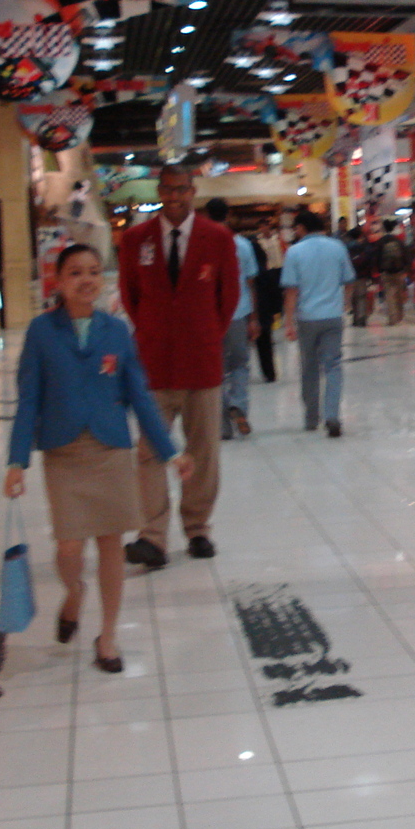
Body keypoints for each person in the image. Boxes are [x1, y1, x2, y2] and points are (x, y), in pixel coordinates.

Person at [4, 244, 193, 673]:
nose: (86, 280)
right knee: (69, 546)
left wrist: (170, 451)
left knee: (111, 543)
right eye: (75, 273)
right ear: (58, 282)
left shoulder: (116, 332)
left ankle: (107, 637)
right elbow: (28, 399)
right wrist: (16, 462)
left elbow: (140, 397)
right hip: (64, 451)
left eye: (94, 271)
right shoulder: (41, 332)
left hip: (110, 449)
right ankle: (74, 593)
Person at [117, 165, 239, 568]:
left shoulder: (217, 239)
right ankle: (152, 537)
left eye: (182, 189)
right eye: (167, 189)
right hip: (152, 364)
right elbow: (130, 296)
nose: (174, 196)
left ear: (193, 190)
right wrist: (154, 332)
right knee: (150, 452)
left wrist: (204, 335)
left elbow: (229, 297)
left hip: (201, 364)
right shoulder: (136, 240)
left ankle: (198, 529)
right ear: (159, 190)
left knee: (203, 451)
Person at [282, 209, 356, 437]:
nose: (294, 232)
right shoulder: (337, 247)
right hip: (333, 316)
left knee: (310, 367)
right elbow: (350, 280)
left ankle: (311, 417)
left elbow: (291, 291)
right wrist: (345, 303)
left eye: (295, 228)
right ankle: (332, 414)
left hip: (307, 318)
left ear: (302, 228)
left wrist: (288, 322)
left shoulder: (294, 252)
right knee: (333, 365)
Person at [204, 198, 261, 439]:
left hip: (209, 317)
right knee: (239, 364)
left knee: (215, 370)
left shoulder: (202, 244)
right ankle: (238, 404)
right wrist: (254, 318)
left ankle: (223, 426)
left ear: (207, 216)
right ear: (228, 215)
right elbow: (250, 283)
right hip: (238, 313)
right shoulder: (242, 245)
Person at [252, 218, 285, 383]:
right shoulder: (258, 242)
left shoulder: (276, 239)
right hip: (263, 310)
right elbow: (274, 294)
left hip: (276, 270)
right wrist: (275, 310)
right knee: (265, 341)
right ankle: (269, 372)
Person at [375, 218, 411, 325]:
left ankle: (392, 318)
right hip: (399, 271)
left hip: (386, 272)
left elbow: (377, 257)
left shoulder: (381, 241)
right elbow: (406, 255)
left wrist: (379, 270)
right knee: (399, 294)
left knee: (389, 295)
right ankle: (400, 316)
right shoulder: (398, 241)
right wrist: (406, 268)